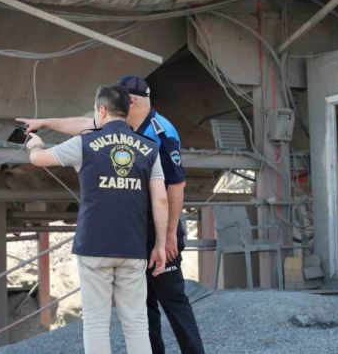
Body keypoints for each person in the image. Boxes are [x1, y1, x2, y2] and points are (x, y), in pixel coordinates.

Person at [18, 75, 205, 354]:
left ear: (127, 102)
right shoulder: (133, 132)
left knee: (171, 299)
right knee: (142, 312)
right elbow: (82, 125)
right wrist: (45, 122)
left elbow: (175, 187)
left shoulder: (161, 132)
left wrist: (167, 238)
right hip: (135, 234)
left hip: (153, 232)